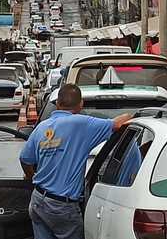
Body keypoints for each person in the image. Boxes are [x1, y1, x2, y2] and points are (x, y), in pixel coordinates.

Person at [19, 84, 131, 239]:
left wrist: (32, 176)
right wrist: (139, 114)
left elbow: (24, 159)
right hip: (63, 208)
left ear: (58, 103)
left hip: (38, 201)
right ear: (81, 104)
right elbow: (118, 124)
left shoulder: (41, 128)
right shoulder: (83, 124)